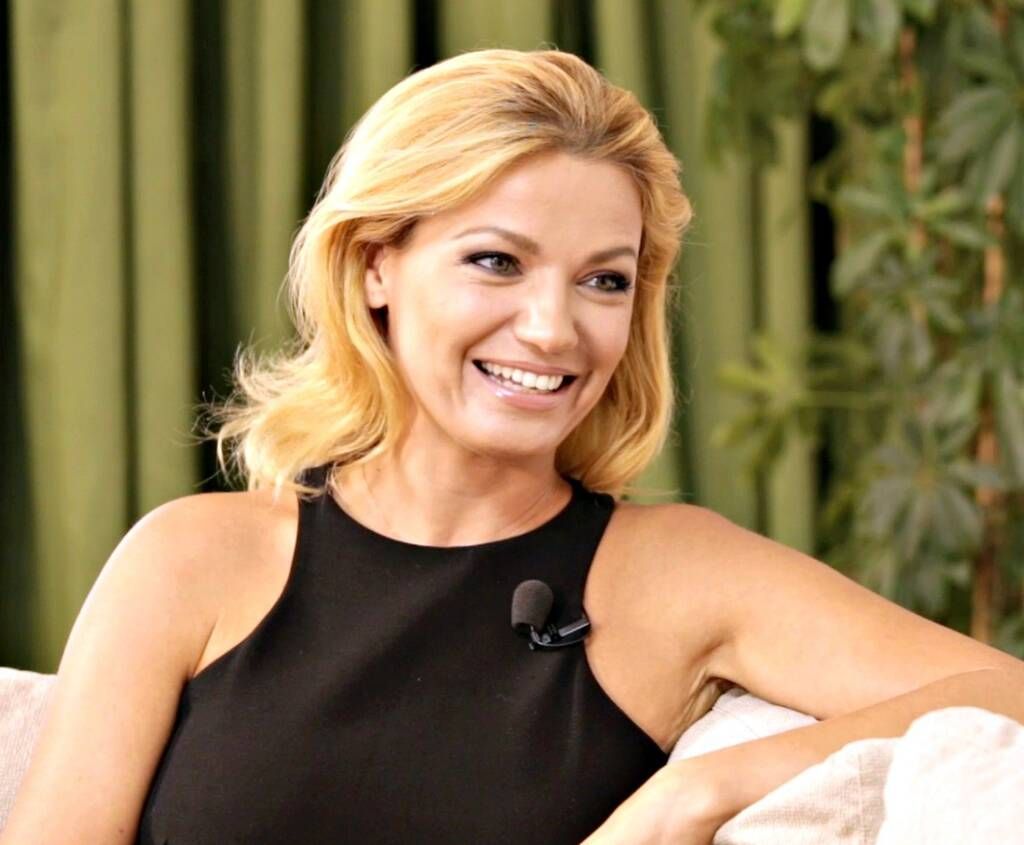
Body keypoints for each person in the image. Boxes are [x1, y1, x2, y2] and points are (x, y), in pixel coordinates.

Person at [3, 47, 1024, 845]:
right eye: (497, 261)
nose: (551, 328)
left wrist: (698, 790)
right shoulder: (189, 559)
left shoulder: (676, 574)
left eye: (604, 279)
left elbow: (1009, 695)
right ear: (375, 265)